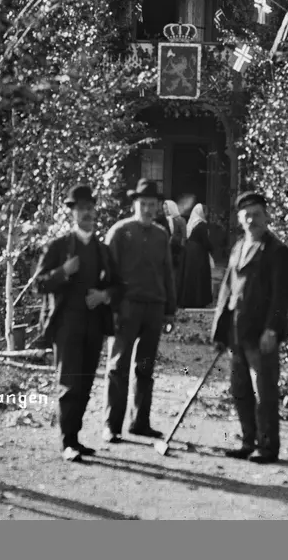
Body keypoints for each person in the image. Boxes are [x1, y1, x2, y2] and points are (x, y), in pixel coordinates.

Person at [34, 184, 125, 462]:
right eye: (82, 208)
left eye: (91, 208)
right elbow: (39, 283)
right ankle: (67, 442)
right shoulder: (59, 247)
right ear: (72, 212)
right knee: (69, 384)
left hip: (94, 326)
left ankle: (76, 438)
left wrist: (104, 295)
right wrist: (63, 271)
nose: (88, 213)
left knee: (85, 385)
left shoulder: (103, 250)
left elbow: (119, 286)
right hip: (67, 326)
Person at [211, 191, 288, 464]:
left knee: (265, 391)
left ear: (266, 216)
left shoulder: (277, 251)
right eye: (246, 215)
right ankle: (249, 441)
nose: (252, 220)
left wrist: (272, 329)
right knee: (241, 390)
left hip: (261, 334)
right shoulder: (237, 247)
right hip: (237, 332)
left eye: (257, 215)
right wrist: (220, 331)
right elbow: (226, 291)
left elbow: (281, 297)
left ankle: (268, 447)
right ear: (239, 219)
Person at [102, 178, 178, 442]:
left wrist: (170, 310)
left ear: (158, 207)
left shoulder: (161, 235)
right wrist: (110, 307)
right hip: (126, 308)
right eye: (143, 204)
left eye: (152, 205)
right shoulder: (120, 232)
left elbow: (168, 274)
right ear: (135, 204)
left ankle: (140, 422)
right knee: (118, 366)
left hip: (153, 309)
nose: (147, 209)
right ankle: (111, 425)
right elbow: (107, 273)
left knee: (145, 367)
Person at [177, 203, 215, 308]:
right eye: (205, 211)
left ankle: (188, 300)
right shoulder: (201, 224)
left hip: (189, 253)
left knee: (190, 276)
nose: (207, 213)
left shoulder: (192, 223)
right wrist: (212, 249)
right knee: (199, 276)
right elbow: (205, 241)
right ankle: (198, 300)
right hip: (198, 253)